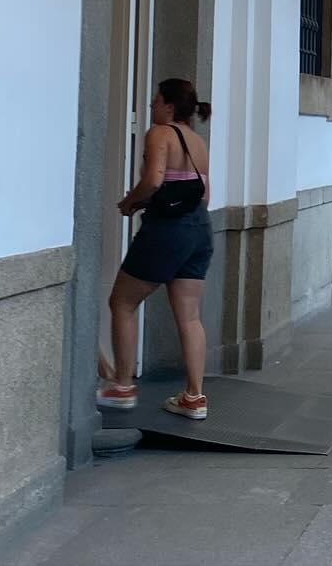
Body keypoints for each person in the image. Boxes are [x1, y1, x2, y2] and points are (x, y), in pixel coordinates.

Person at [97, 79, 214, 420]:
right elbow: (205, 195)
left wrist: (130, 202)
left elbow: (153, 179)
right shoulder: (198, 142)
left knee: (122, 302)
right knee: (190, 316)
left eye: (156, 101)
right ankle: (194, 396)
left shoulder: (160, 133)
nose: (151, 106)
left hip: (167, 231)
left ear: (169, 106)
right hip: (200, 230)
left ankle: (122, 386)